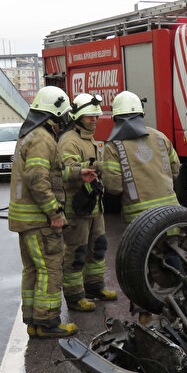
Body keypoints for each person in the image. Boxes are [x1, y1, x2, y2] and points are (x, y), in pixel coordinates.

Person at [8, 87, 83, 339]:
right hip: (40, 220)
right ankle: (49, 321)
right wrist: (54, 212)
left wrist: (78, 173)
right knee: (50, 268)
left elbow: (47, 172)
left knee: (32, 270)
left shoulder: (30, 135)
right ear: (56, 111)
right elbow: (37, 178)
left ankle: (33, 321)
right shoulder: (43, 138)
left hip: (26, 220)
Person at [58, 93, 119, 312]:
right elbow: (64, 172)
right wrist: (93, 167)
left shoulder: (88, 139)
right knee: (77, 251)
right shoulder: (69, 141)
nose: (94, 121)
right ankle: (74, 297)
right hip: (77, 207)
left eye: (96, 117)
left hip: (93, 206)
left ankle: (94, 286)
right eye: (89, 117)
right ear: (77, 117)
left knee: (98, 246)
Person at [100, 91, 180, 224]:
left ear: (115, 117)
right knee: (173, 242)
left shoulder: (113, 146)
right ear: (141, 113)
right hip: (171, 212)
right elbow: (175, 170)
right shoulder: (160, 137)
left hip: (140, 222)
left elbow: (114, 187)